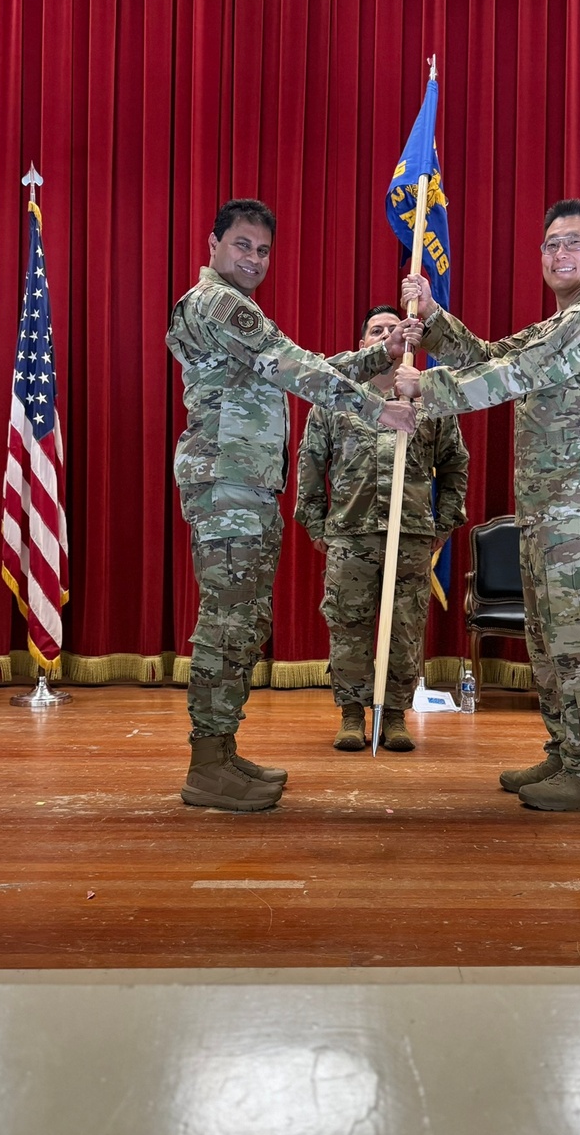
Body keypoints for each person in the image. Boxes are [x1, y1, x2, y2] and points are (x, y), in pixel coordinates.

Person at [167, 199, 416, 813]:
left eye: (262, 249)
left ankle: (222, 752)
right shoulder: (218, 304)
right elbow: (296, 366)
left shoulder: (239, 312)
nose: (252, 258)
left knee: (243, 621)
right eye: (241, 245)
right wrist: (376, 405)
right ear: (213, 244)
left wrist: (375, 358)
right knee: (228, 624)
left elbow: (299, 368)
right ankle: (207, 765)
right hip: (228, 486)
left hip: (243, 485)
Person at [394, 198, 580, 812]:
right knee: (549, 639)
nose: (560, 253)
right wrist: (435, 315)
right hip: (548, 509)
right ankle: (564, 752)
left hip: (579, 511)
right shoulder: (559, 321)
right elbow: (491, 355)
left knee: (577, 641)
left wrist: (429, 386)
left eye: (574, 243)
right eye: (551, 243)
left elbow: (516, 375)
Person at [294, 305, 469, 752]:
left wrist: (444, 524)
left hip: (409, 535)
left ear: (410, 339)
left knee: (405, 628)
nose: (387, 334)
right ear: (362, 344)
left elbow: (455, 466)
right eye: (377, 329)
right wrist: (317, 525)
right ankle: (351, 714)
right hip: (351, 534)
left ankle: (394, 716)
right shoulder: (336, 399)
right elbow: (311, 464)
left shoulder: (430, 399)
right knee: (349, 626)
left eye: (395, 328)